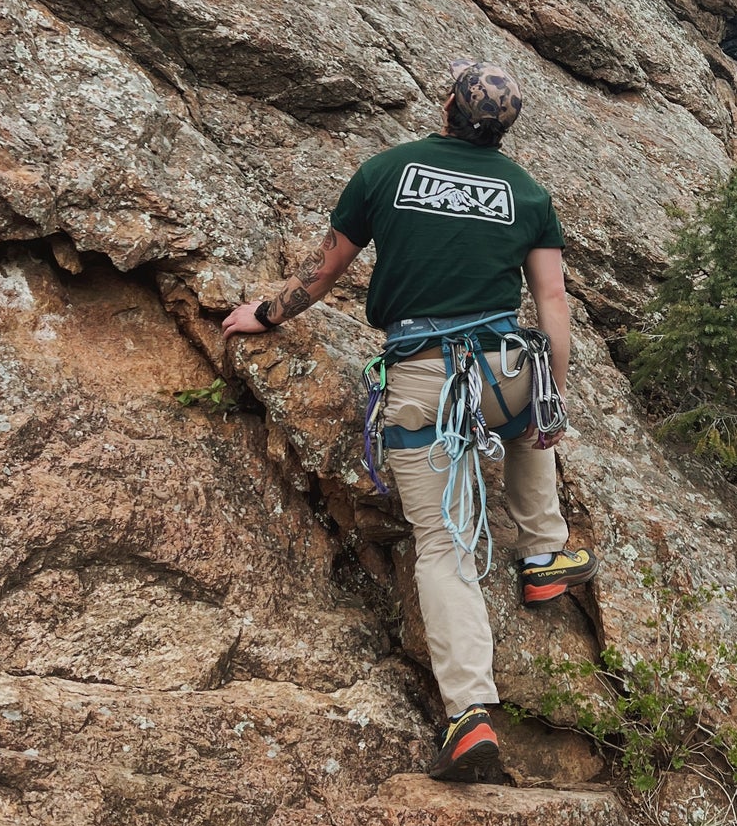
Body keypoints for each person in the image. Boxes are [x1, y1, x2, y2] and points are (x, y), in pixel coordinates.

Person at [222, 57, 598, 781]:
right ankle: (544, 553)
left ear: (448, 105)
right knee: (530, 409)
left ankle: (470, 717)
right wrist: (551, 394)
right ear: (503, 128)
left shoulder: (388, 170)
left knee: (444, 545)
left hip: (429, 377)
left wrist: (265, 313)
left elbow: (323, 271)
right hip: (504, 369)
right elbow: (552, 301)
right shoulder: (527, 193)